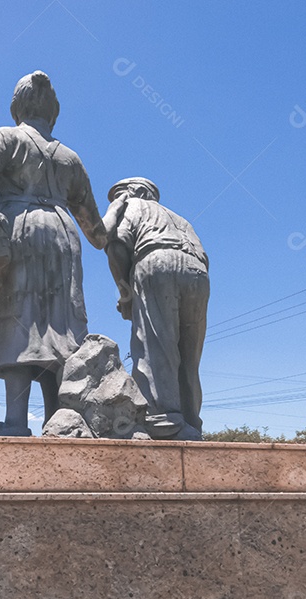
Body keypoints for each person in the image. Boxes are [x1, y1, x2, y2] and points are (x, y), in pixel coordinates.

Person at [0, 71, 108, 436]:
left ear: (15, 107)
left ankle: (16, 422)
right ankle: (59, 420)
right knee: (60, 325)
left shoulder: (4, 137)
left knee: (18, 319)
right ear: (53, 111)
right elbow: (97, 231)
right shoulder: (70, 157)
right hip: (64, 237)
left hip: (17, 229)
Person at [102, 177, 210, 440]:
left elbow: (115, 243)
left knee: (156, 345)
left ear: (135, 192)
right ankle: (190, 422)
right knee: (189, 356)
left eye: (119, 194)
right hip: (198, 272)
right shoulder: (180, 219)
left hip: (156, 260)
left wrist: (124, 291)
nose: (118, 199)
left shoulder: (132, 205)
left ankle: (163, 422)